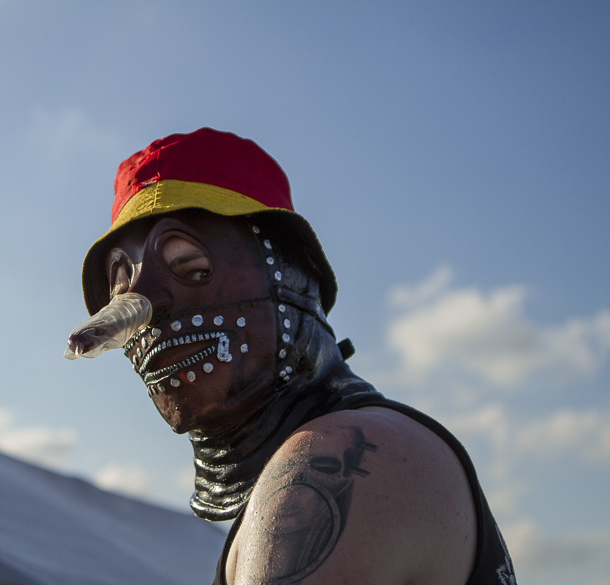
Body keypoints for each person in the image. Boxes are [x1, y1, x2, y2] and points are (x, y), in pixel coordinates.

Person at [68, 128, 516, 585]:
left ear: (294, 278)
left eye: (195, 269)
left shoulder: (330, 460)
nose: (144, 312)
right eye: (120, 289)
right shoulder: (317, 464)